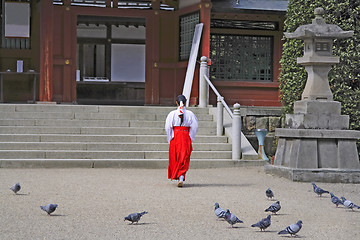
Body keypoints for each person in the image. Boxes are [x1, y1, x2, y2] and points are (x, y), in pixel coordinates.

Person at [165, 95, 198, 187]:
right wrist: (190, 137)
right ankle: (181, 177)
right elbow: (194, 127)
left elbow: (168, 127)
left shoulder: (172, 114)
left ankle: (178, 176)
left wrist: (170, 137)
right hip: (185, 135)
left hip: (175, 136)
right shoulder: (190, 114)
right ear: (186, 102)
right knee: (184, 157)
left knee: (175, 157)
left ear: (176, 102)